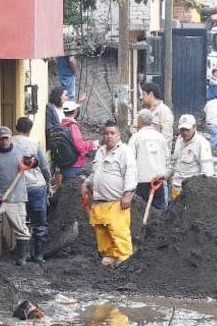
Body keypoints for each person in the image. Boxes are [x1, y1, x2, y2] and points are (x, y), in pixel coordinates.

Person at [79, 121, 137, 267]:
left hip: (116, 202)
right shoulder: (100, 152)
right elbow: (95, 173)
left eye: (112, 133)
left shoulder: (124, 151)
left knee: (119, 233)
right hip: (99, 201)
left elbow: (130, 173)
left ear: (118, 135)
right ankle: (108, 260)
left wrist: (127, 194)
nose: (109, 136)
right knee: (102, 233)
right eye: (106, 133)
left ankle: (125, 261)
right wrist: (86, 183)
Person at [0, 126, 34, 265]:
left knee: (20, 227)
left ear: (10, 138)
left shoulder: (21, 152)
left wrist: (31, 162)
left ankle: (22, 257)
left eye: (6, 138)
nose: (4, 141)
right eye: (1, 139)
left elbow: (34, 163)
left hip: (17, 197)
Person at [12, 117, 54, 264]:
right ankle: (39, 256)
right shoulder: (34, 144)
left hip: (17, 188)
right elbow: (44, 166)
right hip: (36, 187)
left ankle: (25, 254)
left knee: (22, 221)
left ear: (16, 127)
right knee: (39, 223)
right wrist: (49, 183)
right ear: (30, 130)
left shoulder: (8, 142)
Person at [162, 114, 214, 198]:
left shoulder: (201, 143)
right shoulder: (179, 140)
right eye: (182, 130)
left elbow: (207, 172)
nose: (184, 133)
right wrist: (164, 175)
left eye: (187, 130)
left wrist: (200, 191)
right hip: (176, 188)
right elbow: (174, 163)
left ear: (194, 127)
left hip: (191, 192)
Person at [129, 109, 170, 211]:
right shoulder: (160, 137)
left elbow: (130, 160)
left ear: (139, 121)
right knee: (159, 209)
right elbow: (167, 158)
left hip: (141, 181)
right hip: (158, 180)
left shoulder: (135, 138)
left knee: (141, 209)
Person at [59, 100, 97, 179]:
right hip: (74, 165)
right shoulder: (73, 126)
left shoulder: (61, 125)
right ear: (75, 111)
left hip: (63, 164)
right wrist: (92, 144)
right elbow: (79, 146)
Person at [140, 82, 175, 147]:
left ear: (150, 94)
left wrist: (154, 149)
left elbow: (167, 136)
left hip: (158, 154)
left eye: (143, 94)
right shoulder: (145, 111)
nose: (141, 97)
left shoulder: (164, 111)